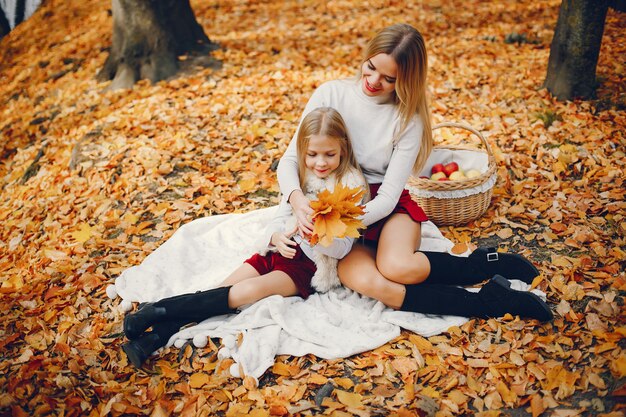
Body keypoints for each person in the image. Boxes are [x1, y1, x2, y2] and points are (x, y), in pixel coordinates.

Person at [277, 24, 552, 322]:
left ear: (406, 80)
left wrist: (343, 221)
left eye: (388, 78)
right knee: (369, 282)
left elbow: (387, 197)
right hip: (334, 209)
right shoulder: (331, 94)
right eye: (370, 68)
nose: (372, 81)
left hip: (383, 208)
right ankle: (488, 303)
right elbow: (290, 159)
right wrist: (298, 202)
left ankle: (484, 265)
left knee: (398, 267)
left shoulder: (408, 119)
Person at [121, 107, 370, 367]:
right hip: (279, 251)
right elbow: (280, 216)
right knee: (219, 291)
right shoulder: (300, 178)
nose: (320, 162)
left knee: (244, 292)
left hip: (308, 266)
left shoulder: (351, 187)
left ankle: (155, 310)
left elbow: (342, 249)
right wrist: (275, 236)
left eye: (330, 154)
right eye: (312, 154)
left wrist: (320, 236)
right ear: (302, 151)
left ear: (343, 148)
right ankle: (151, 340)